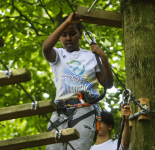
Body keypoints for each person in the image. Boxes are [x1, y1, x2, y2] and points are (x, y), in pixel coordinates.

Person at [42, 12, 113, 150]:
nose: (68, 38)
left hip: (85, 108)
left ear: (80, 34)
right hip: (61, 110)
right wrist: (67, 23)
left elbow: (107, 84)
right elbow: (45, 48)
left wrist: (103, 57)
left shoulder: (92, 56)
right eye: (64, 35)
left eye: (72, 34)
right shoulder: (59, 55)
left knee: (77, 147)